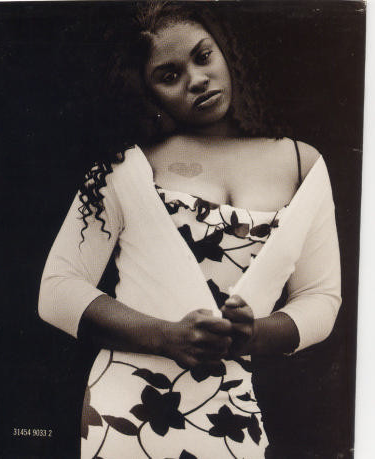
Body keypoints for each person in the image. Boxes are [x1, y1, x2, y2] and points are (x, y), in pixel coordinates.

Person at [38, 3, 341, 458]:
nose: (196, 79)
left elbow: (320, 298)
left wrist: (255, 335)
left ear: (225, 53)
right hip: (128, 409)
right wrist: (166, 336)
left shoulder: (302, 163)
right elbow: (57, 290)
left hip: (232, 408)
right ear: (148, 93)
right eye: (169, 75)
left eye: (203, 57)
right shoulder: (127, 166)